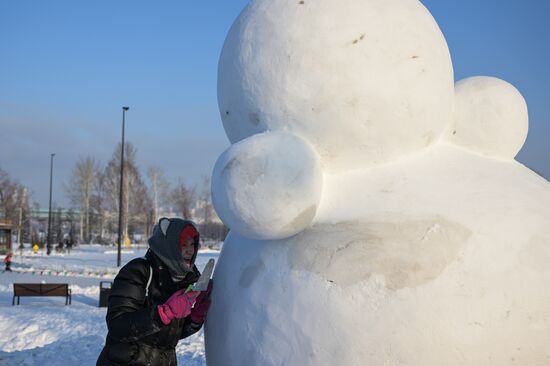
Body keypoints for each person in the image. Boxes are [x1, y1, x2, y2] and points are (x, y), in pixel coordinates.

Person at [96, 218, 213, 366]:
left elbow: (164, 336)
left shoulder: (183, 279)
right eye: (183, 244)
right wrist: (164, 313)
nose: (190, 250)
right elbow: (117, 325)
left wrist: (194, 319)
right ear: (168, 245)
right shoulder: (139, 271)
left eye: (192, 244)